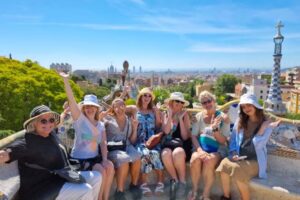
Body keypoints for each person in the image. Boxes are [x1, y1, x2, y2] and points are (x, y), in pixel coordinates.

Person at [0, 105, 102, 200]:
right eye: (43, 121)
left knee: (97, 177)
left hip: (59, 177)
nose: (48, 124)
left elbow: (61, 123)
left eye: (51, 120)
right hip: (39, 190)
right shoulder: (27, 143)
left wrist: (65, 112)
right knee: (85, 189)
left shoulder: (51, 134)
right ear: (34, 123)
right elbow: (4, 154)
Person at [59, 72, 114, 200]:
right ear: (83, 108)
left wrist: (105, 158)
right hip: (79, 159)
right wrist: (66, 81)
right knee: (101, 171)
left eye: (92, 106)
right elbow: (71, 100)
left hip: (93, 158)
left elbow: (103, 143)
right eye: (87, 106)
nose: (90, 109)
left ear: (97, 109)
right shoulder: (79, 120)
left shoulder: (100, 124)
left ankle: (104, 198)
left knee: (108, 166)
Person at [216, 93, 280, 200]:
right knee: (224, 163)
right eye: (244, 106)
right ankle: (226, 197)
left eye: (249, 105)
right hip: (241, 157)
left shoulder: (266, 123)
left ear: (255, 105)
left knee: (237, 171)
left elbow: (258, 145)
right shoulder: (240, 121)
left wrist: (261, 129)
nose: (246, 109)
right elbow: (233, 140)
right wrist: (234, 152)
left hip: (256, 161)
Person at [189, 91, 230, 200]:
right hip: (201, 147)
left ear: (214, 101)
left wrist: (215, 130)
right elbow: (193, 136)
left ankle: (205, 195)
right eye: (204, 103)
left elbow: (223, 141)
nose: (207, 104)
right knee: (194, 159)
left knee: (209, 161)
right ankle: (194, 190)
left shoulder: (223, 117)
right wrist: (200, 151)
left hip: (219, 149)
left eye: (209, 101)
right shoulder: (198, 116)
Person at [127, 87, 164, 197]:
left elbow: (158, 127)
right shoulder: (134, 109)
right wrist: (124, 93)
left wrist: (157, 113)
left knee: (155, 153)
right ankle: (143, 182)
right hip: (140, 140)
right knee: (143, 154)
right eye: (145, 95)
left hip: (152, 141)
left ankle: (160, 180)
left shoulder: (153, 110)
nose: (147, 97)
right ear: (140, 96)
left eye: (149, 96)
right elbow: (117, 107)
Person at [104, 98, 142, 200]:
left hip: (127, 145)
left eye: (121, 106)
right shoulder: (107, 119)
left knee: (137, 156)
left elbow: (132, 141)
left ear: (125, 107)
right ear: (113, 108)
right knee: (124, 159)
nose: (118, 108)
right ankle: (119, 191)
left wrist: (134, 128)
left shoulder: (130, 120)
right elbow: (97, 129)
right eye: (116, 106)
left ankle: (133, 185)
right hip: (113, 147)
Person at [160, 92, 192, 198]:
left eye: (181, 102)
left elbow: (185, 137)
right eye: (177, 101)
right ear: (171, 102)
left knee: (177, 153)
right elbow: (166, 131)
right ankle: (175, 180)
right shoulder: (166, 114)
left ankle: (182, 183)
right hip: (169, 144)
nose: (179, 103)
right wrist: (170, 115)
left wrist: (181, 120)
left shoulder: (185, 115)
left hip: (181, 145)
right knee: (165, 154)